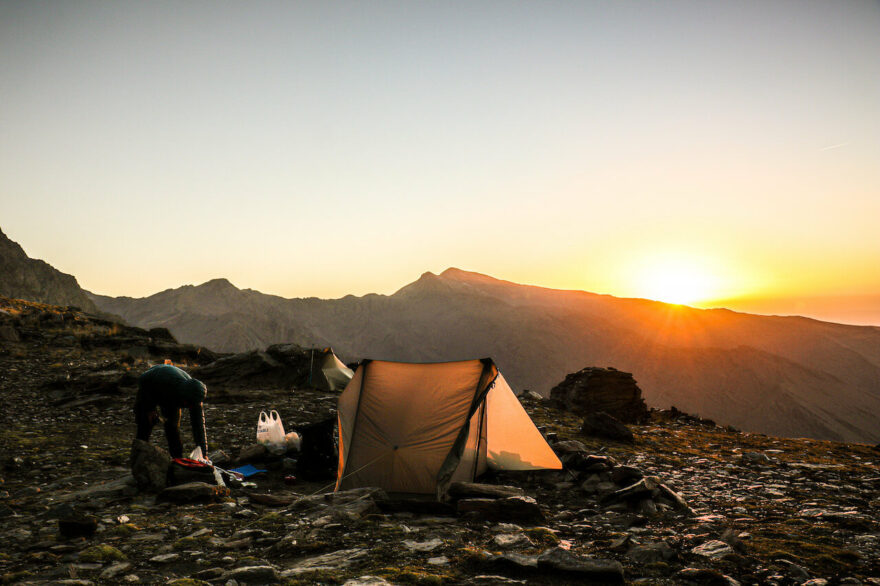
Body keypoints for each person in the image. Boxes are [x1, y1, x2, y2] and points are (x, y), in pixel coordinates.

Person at [134, 362, 208, 459]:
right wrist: (150, 408)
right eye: (187, 403)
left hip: (171, 396)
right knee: (146, 422)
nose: (188, 407)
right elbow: (143, 380)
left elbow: (199, 426)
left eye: (191, 404)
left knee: (173, 427)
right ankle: (138, 455)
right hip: (150, 385)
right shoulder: (166, 382)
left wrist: (203, 453)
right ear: (183, 397)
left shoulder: (196, 397)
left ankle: (177, 459)